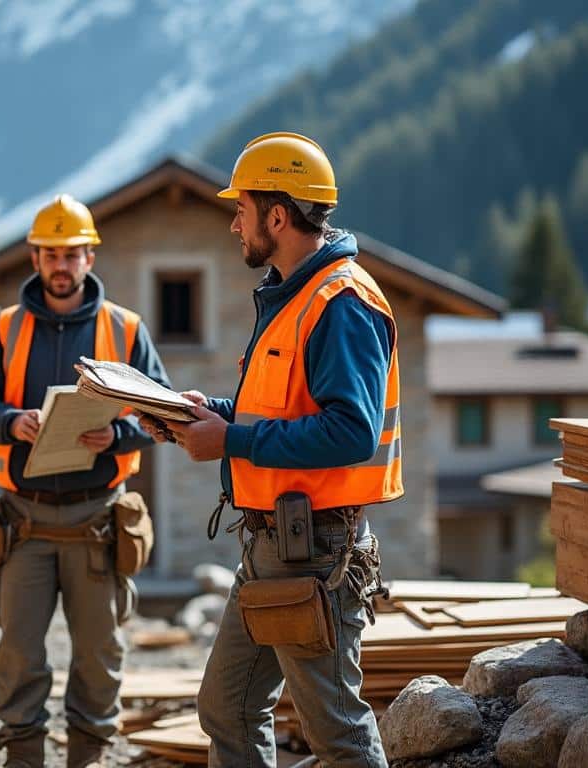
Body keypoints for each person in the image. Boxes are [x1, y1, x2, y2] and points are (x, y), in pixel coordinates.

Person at [141, 132, 400, 768]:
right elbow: (280, 413)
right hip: (271, 546)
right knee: (226, 707)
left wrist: (230, 439)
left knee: (336, 733)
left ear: (277, 216)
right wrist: (203, 415)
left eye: (242, 209)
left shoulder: (342, 303)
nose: (235, 224)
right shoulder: (291, 296)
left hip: (315, 551)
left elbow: (350, 432)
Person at [0, 194, 171, 768]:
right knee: (18, 655)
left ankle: (88, 758)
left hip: (97, 521)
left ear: (89, 257)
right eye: (51, 254)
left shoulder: (126, 329)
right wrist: (11, 422)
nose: (61, 265)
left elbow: (163, 412)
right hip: (24, 523)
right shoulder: (6, 328)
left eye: (72, 254)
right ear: (34, 257)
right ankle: (23, 758)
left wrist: (121, 435)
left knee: (99, 655)